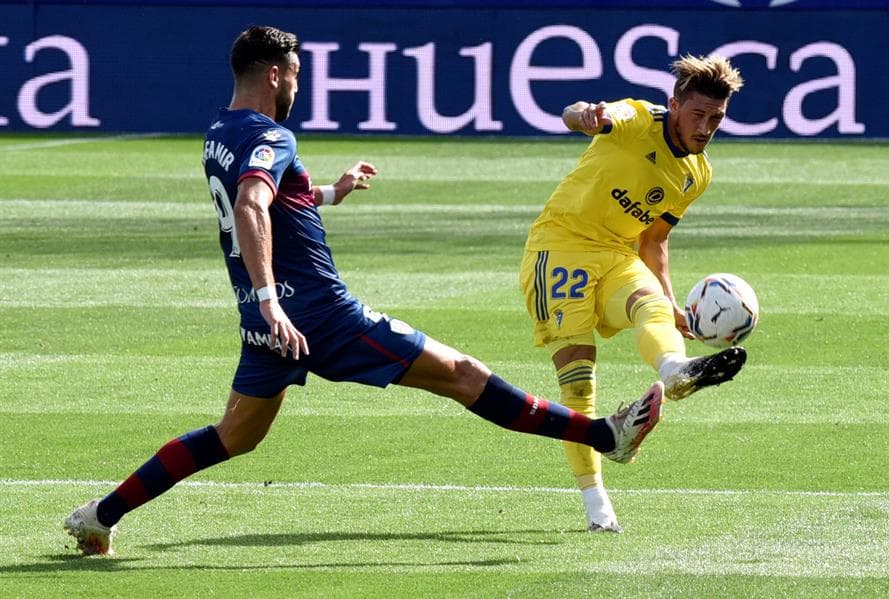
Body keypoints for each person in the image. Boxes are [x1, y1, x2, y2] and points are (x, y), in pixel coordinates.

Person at [63, 25, 664, 556]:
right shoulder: (274, 136)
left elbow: (272, 200)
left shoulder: (220, 131)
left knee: (232, 437)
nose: (298, 87)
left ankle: (100, 516)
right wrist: (273, 298)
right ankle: (605, 435)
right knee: (464, 375)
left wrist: (330, 193)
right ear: (274, 73)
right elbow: (250, 204)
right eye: (295, 75)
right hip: (318, 316)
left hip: (263, 322)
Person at [519, 55, 747, 533]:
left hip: (618, 255)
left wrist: (673, 303)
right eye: (698, 115)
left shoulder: (697, 174)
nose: (706, 128)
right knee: (579, 385)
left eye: (716, 119)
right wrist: (583, 116)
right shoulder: (638, 118)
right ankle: (595, 501)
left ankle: (675, 371)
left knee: (653, 307)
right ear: (674, 105)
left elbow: (654, 241)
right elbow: (579, 111)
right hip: (558, 250)